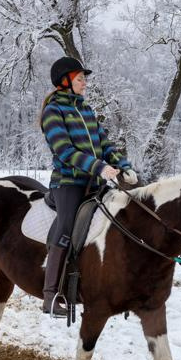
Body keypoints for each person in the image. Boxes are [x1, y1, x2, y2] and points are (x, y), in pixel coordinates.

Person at [40, 56, 137, 316]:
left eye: (84, 79)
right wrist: (99, 168)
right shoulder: (53, 111)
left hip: (95, 182)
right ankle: (50, 296)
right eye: (80, 78)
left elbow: (104, 145)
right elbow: (64, 150)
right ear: (65, 81)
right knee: (66, 226)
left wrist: (123, 166)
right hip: (68, 183)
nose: (85, 83)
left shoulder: (85, 110)